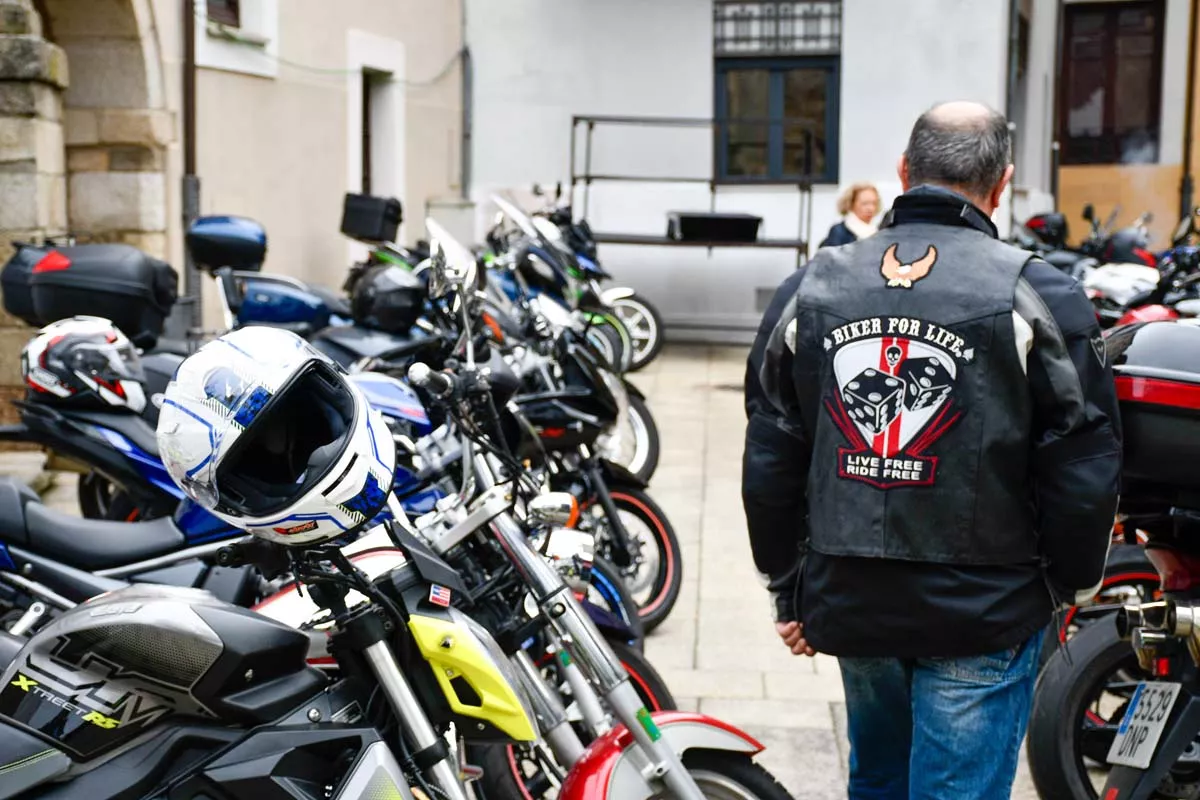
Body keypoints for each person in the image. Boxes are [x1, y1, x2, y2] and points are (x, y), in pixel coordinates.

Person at [742, 101, 1121, 800]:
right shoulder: (1038, 291)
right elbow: (1082, 463)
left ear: (903, 173)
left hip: (854, 599)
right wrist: (1070, 585)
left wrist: (787, 586)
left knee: (880, 781)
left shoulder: (814, 283)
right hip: (983, 609)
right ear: (1001, 184)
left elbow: (771, 452)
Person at [820, 182, 880, 248]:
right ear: (851, 204)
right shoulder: (839, 231)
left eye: (874, 203)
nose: (870, 208)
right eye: (865, 204)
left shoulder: (879, 231)